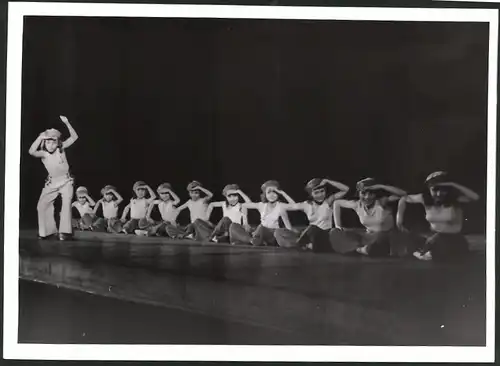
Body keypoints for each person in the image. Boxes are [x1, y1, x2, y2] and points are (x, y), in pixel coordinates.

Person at [396, 171, 480, 261]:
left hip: (453, 241)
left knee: (435, 249)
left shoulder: (455, 200)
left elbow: (475, 197)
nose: (439, 194)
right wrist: (399, 220)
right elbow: (403, 199)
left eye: (443, 190)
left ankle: (426, 253)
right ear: (429, 189)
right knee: (411, 241)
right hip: (435, 239)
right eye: (435, 190)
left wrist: (453, 184)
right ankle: (424, 253)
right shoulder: (424, 198)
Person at [29, 115, 78, 240]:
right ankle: (48, 231)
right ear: (44, 143)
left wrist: (67, 123)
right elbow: (31, 151)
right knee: (42, 205)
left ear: (57, 143)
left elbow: (74, 137)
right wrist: (41, 136)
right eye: (48, 142)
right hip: (52, 183)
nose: (51, 145)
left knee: (66, 204)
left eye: (53, 142)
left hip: (66, 181)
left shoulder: (61, 149)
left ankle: (65, 232)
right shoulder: (43, 154)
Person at [331, 178, 408, 257]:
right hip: (368, 236)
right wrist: (338, 226)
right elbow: (337, 203)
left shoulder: (382, 202)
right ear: (359, 193)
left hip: (386, 237)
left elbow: (404, 194)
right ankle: (362, 248)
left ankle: (361, 249)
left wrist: (381, 186)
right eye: (363, 193)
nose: (367, 197)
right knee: (335, 232)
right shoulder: (357, 205)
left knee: (378, 239)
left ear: (375, 194)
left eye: (371, 193)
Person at [282, 178, 349, 252]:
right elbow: (292, 206)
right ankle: (309, 245)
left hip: (326, 234)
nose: (320, 195)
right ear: (311, 194)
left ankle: (305, 245)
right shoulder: (306, 205)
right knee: (281, 233)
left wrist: (328, 181)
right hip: (312, 235)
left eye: (322, 191)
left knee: (314, 228)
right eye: (316, 193)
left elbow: (346, 189)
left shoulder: (328, 202)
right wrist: (282, 193)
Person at [241, 180, 298, 247]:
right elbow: (244, 205)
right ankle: (256, 240)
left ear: (278, 194)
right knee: (259, 228)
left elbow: (295, 206)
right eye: (269, 193)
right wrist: (245, 223)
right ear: (265, 195)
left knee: (262, 228)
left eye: (274, 192)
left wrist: (282, 193)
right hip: (263, 232)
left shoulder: (280, 205)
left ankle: (258, 240)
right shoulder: (261, 205)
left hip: (274, 234)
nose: (271, 195)